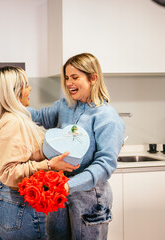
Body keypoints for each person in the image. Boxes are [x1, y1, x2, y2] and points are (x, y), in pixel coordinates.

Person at [28, 53, 125, 240]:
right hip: (62, 190)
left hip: (90, 197)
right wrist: (7, 106)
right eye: (66, 78)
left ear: (93, 78)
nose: (68, 83)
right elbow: (39, 116)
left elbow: (105, 166)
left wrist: (68, 185)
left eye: (75, 77)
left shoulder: (107, 117)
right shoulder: (66, 105)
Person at [0, 66, 79, 240]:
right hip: (16, 206)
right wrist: (49, 164)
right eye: (26, 85)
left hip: (2, 199)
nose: (30, 89)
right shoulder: (14, 123)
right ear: (15, 91)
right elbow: (8, 172)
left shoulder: (11, 117)